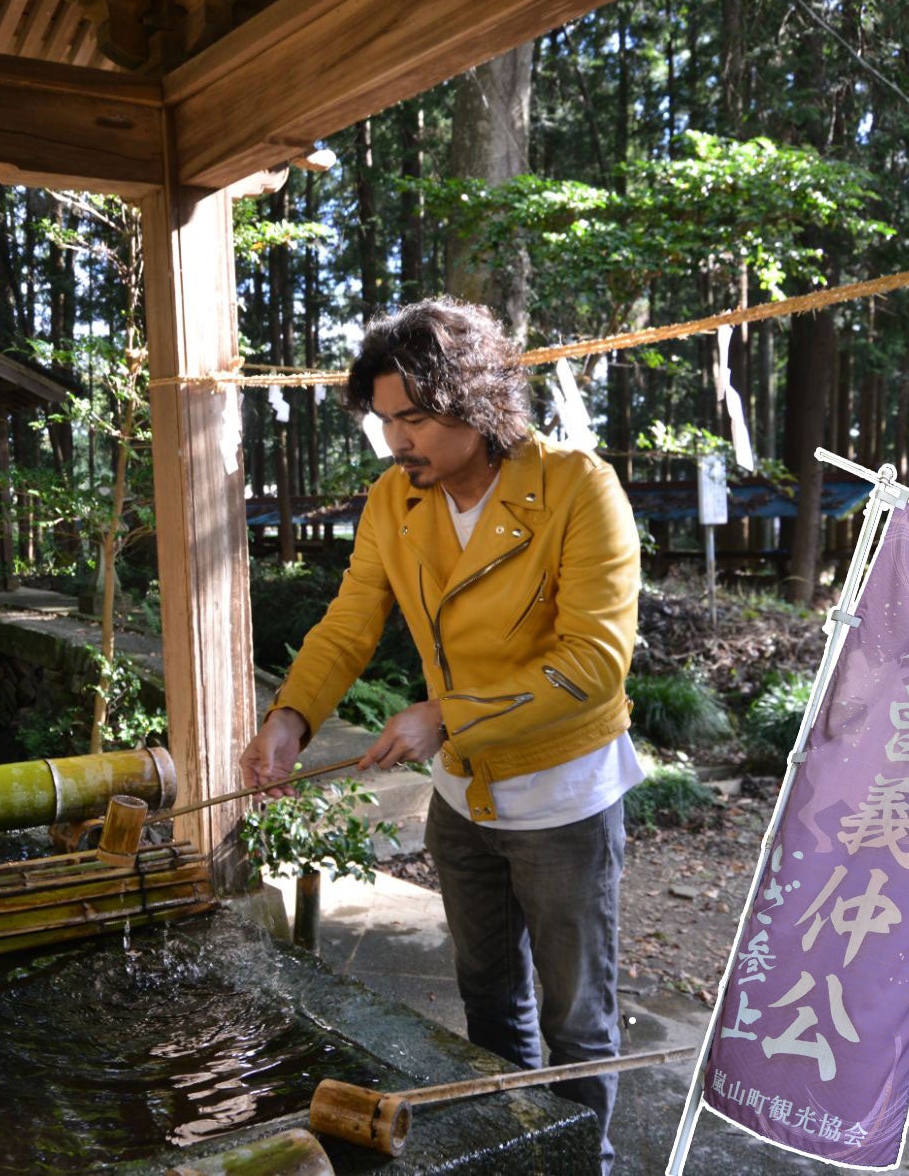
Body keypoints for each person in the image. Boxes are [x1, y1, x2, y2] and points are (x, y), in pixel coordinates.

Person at [238, 297, 642, 1174]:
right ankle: (513, 1156)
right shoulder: (396, 500)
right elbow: (350, 622)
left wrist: (446, 713)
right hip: (464, 797)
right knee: (489, 1002)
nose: (396, 441)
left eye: (414, 418)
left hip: (564, 797)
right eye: (384, 420)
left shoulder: (576, 487)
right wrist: (289, 718)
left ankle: (582, 1163)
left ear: (477, 401)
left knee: (579, 1020)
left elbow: (591, 663)